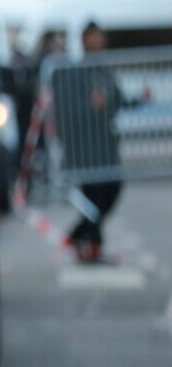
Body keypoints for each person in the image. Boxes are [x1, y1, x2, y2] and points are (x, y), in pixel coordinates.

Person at [52, 22, 141, 263]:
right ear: (83, 41)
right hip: (86, 150)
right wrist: (90, 106)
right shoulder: (77, 72)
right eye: (92, 38)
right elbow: (67, 109)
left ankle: (78, 236)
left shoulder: (105, 69)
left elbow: (118, 99)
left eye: (99, 38)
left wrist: (140, 99)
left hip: (107, 148)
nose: (97, 43)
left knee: (111, 192)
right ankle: (92, 247)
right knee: (95, 198)